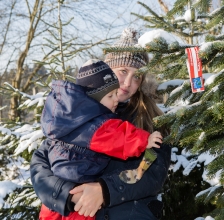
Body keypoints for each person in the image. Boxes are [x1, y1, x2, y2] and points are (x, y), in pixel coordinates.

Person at [30, 27, 171, 220]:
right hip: (72, 210)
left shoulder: (151, 120)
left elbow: (155, 174)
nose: (128, 82)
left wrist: (105, 191)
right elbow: (41, 163)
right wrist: (68, 195)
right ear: (106, 71)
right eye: (122, 71)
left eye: (137, 76)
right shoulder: (78, 114)